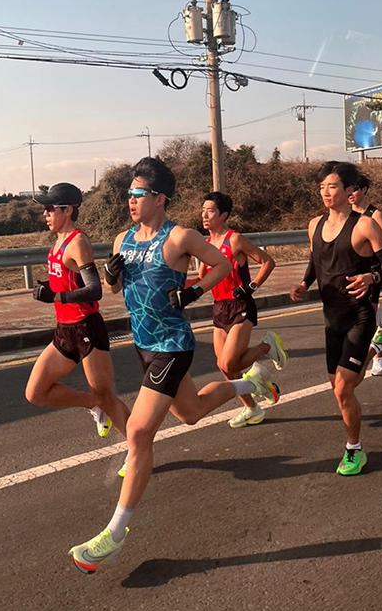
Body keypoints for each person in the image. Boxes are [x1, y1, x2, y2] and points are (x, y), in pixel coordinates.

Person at [68, 158, 279, 573]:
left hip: (172, 344)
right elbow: (114, 289)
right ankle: (251, 383)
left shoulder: (179, 236)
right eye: (128, 193)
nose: (130, 200)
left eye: (138, 193)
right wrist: (112, 274)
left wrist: (194, 292)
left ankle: (114, 533)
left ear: (159, 198)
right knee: (192, 413)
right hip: (143, 344)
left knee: (141, 432)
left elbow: (219, 264)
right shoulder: (121, 239)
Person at [289, 161, 382, 476]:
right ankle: (376, 349)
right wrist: (303, 283)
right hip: (331, 318)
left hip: (359, 315)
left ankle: (354, 450)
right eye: (322, 186)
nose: (325, 192)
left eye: (333, 186)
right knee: (340, 385)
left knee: (342, 391)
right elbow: (316, 259)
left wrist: (370, 277)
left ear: (350, 191)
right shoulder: (314, 225)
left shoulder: (364, 225)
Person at [25, 183, 130, 445]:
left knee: (106, 394)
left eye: (50, 209)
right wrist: (49, 289)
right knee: (35, 393)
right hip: (64, 330)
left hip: (86, 328)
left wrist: (55, 296)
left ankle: (137, 450)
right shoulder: (58, 242)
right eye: (45, 209)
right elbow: (67, 282)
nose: (45, 214)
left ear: (68, 210)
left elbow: (94, 290)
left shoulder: (78, 242)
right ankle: (93, 405)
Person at [199, 191, 288, 428]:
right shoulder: (204, 245)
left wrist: (251, 286)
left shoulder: (234, 239)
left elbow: (267, 261)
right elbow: (200, 279)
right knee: (224, 367)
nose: (205, 215)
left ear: (223, 215)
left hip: (241, 306)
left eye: (210, 211)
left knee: (229, 364)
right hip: (219, 309)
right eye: (203, 210)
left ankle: (267, 346)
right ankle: (252, 408)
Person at [350, 173, 382, 376]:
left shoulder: (375, 215)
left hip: (372, 270)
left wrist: (373, 243)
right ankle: (381, 340)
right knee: (365, 313)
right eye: (348, 190)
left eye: (354, 189)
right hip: (354, 269)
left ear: (364, 190)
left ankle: (378, 355)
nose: (351, 194)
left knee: (368, 312)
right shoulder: (346, 214)